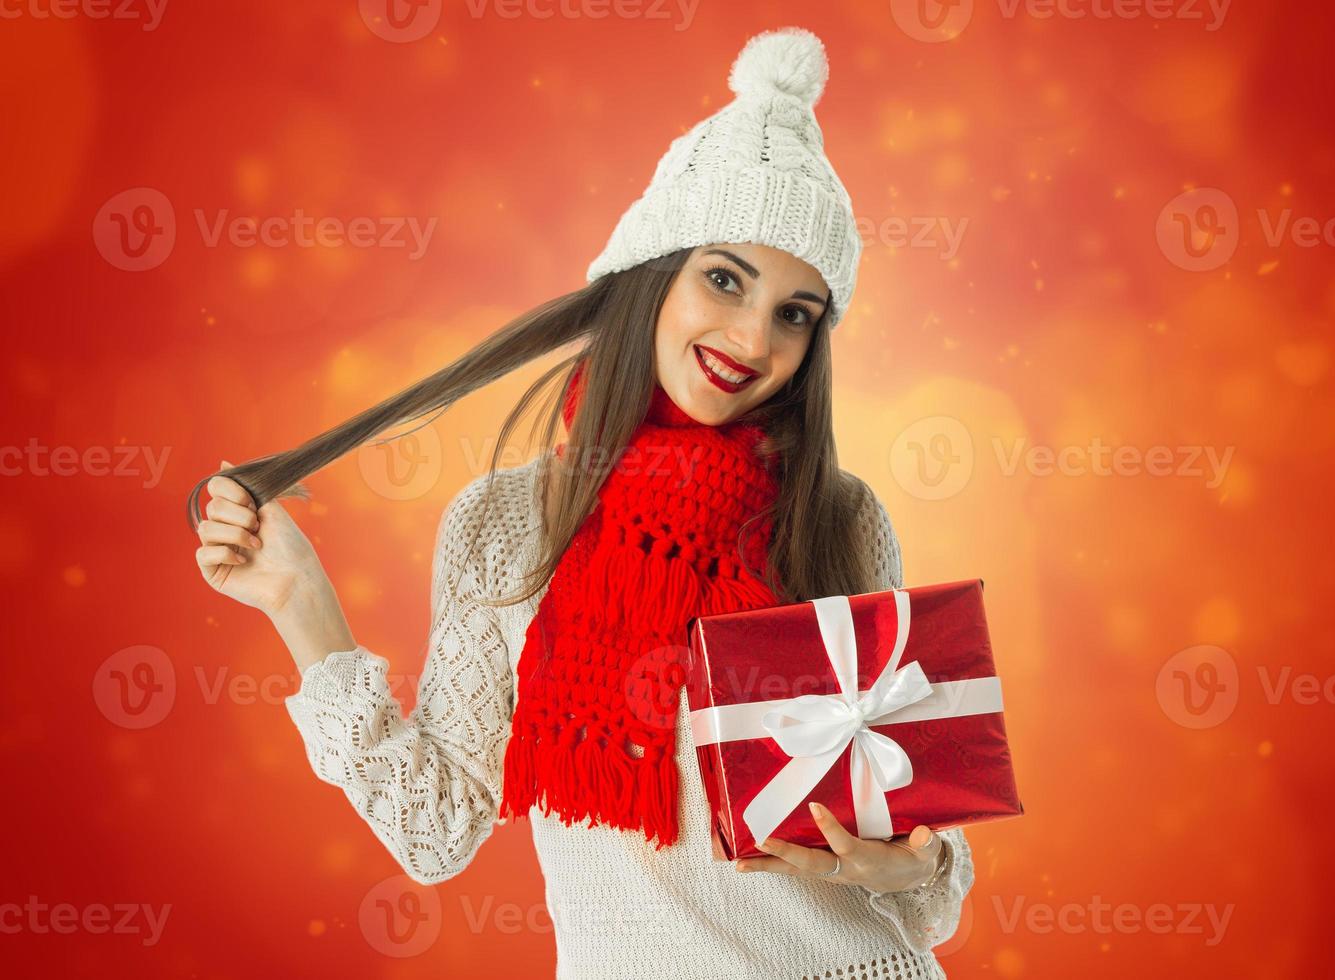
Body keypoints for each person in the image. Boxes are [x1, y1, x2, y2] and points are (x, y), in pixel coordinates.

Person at [188, 26, 975, 979]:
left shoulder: (836, 518)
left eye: (794, 313)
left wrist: (916, 862)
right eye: (723, 278)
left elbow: (936, 887)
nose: (750, 334)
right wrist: (300, 607)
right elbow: (436, 834)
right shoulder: (507, 526)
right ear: (653, 277)